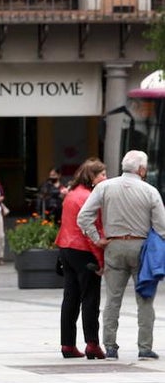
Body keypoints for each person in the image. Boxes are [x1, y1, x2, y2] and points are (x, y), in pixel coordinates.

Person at [77, 150, 165, 360]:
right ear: (142, 169)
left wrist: (97, 237)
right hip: (141, 249)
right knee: (145, 299)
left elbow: (83, 217)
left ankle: (110, 346)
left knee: (112, 299)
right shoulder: (150, 191)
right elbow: (162, 227)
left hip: (113, 246)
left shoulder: (104, 187)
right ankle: (144, 347)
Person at [55, 158, 107, 360]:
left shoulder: (71, 194)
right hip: (83, 250)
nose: (105, 177)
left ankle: (67, 344)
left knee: (70, 297)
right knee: (90, 298)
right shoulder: (89, 197)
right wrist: (100, 261)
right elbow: (92, 229)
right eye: (102, 174)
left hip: (66, 248)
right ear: (92, 177)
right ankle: (92, 344)